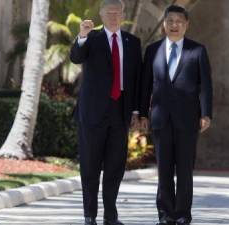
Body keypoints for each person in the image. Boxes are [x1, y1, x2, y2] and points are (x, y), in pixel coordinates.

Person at [70, 0, 142, 224]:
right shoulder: (91, 38)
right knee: (90, 166)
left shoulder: (133, 42)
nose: (113, 16)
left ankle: (111, 216)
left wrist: (137, 112)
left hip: (120, 110)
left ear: (123, 14)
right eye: (108, 12)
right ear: (101, 15)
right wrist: (81, 36)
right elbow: (76, 57)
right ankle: (89, 215)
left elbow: (137, 79)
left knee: (115, 166)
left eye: (117, 12)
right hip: (92, 112)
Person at [139, 5, 213, 225]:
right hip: (160, 119)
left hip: (188, 120)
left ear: (186, 25)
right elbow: (145, 86)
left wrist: (206, 113)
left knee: (184, 170)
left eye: (179, 21)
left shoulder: (197, 51)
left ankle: (182, 215)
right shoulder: (152, 50)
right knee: (163, 170)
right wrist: (142, 113)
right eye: (170, 21)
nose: (174, 25)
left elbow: (205, 86)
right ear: (164, 24)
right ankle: (165, 215)